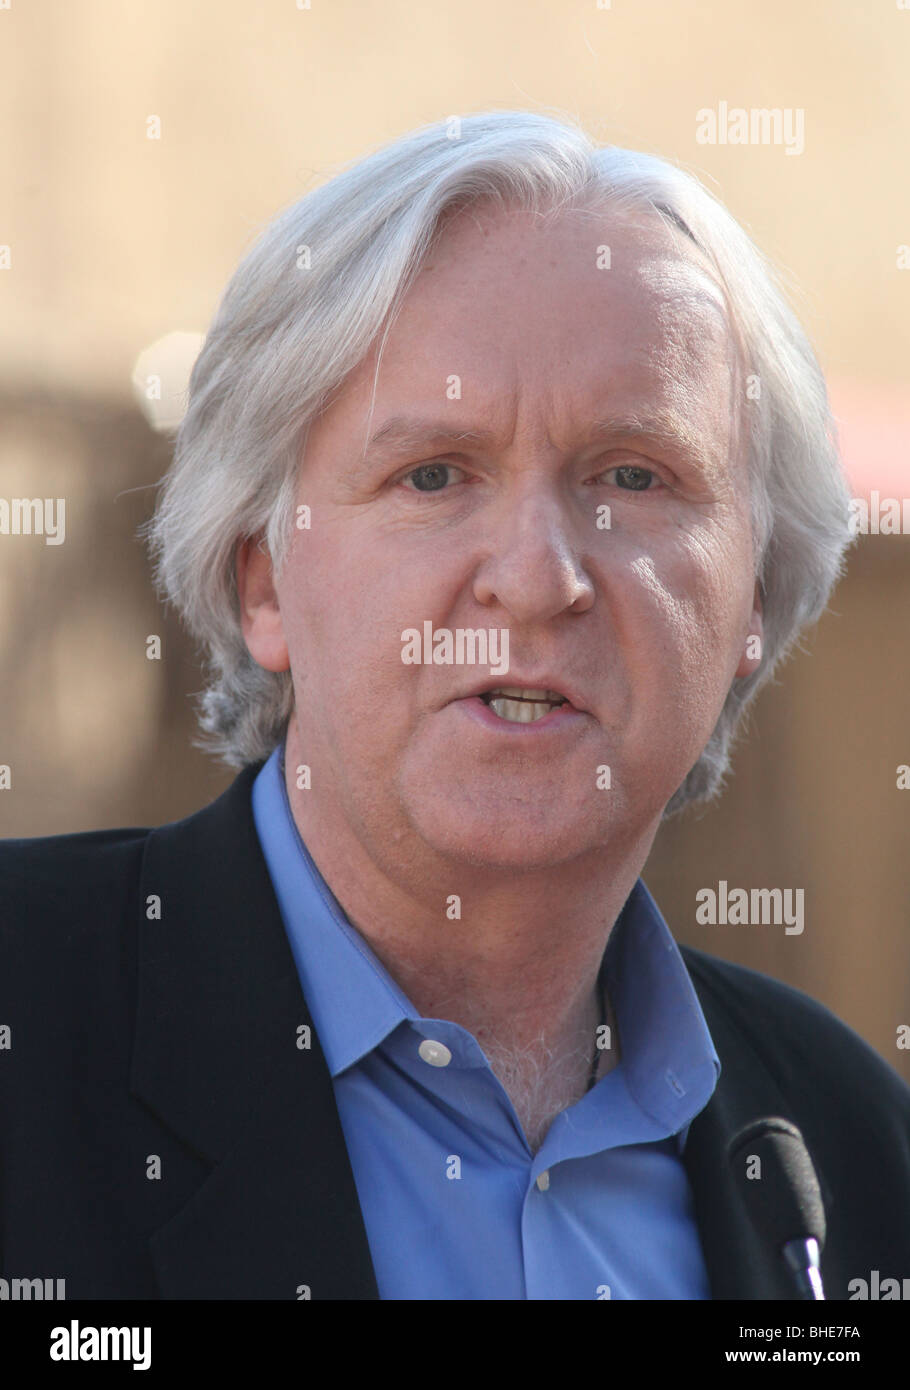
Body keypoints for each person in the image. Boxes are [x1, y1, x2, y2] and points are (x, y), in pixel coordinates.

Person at [2, 111, 909, 1302]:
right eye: (432, 474)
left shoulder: (853, 1151)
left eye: (632, 475)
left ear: (755, 596)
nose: (535, 578)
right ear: (262, 578)